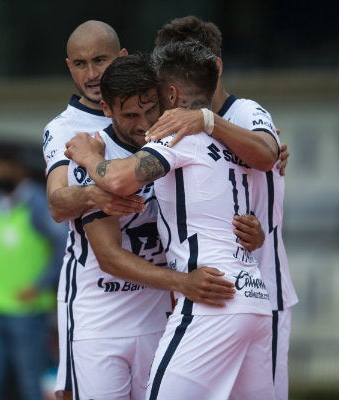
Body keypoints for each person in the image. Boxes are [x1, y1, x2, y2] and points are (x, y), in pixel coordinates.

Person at [66, 40, 274, 399]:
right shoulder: (233, 141)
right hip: (254, 298)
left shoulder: (175, 136)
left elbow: (117, 179)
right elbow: (267, 157)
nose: (148, 121)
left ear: (172, 94)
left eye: (155, 100)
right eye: (132, 114)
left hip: (212, 299)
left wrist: (86, 157)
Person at [145, 16, 299, 400]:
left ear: (214, 67)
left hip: (262, 288)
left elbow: (266, 154)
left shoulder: (243, 112)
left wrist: (208, 121)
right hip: (208, 295)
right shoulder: (173, 127)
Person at [42, 20, 145, 400]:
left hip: (157, 298)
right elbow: (56, 202)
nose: (91, 74)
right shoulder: (65, 128)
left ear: (122, 58)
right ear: (69, 66)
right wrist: (95, 196)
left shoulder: (150, 112)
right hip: (96, 295)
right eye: (81, 64)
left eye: (100, 60)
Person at [0, 149, 67, 400]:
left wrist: (42, 283)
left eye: (2, 165)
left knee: (31, 385)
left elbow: (64, 244)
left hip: (29, 310)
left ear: (19, 168)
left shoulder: (37, 203)